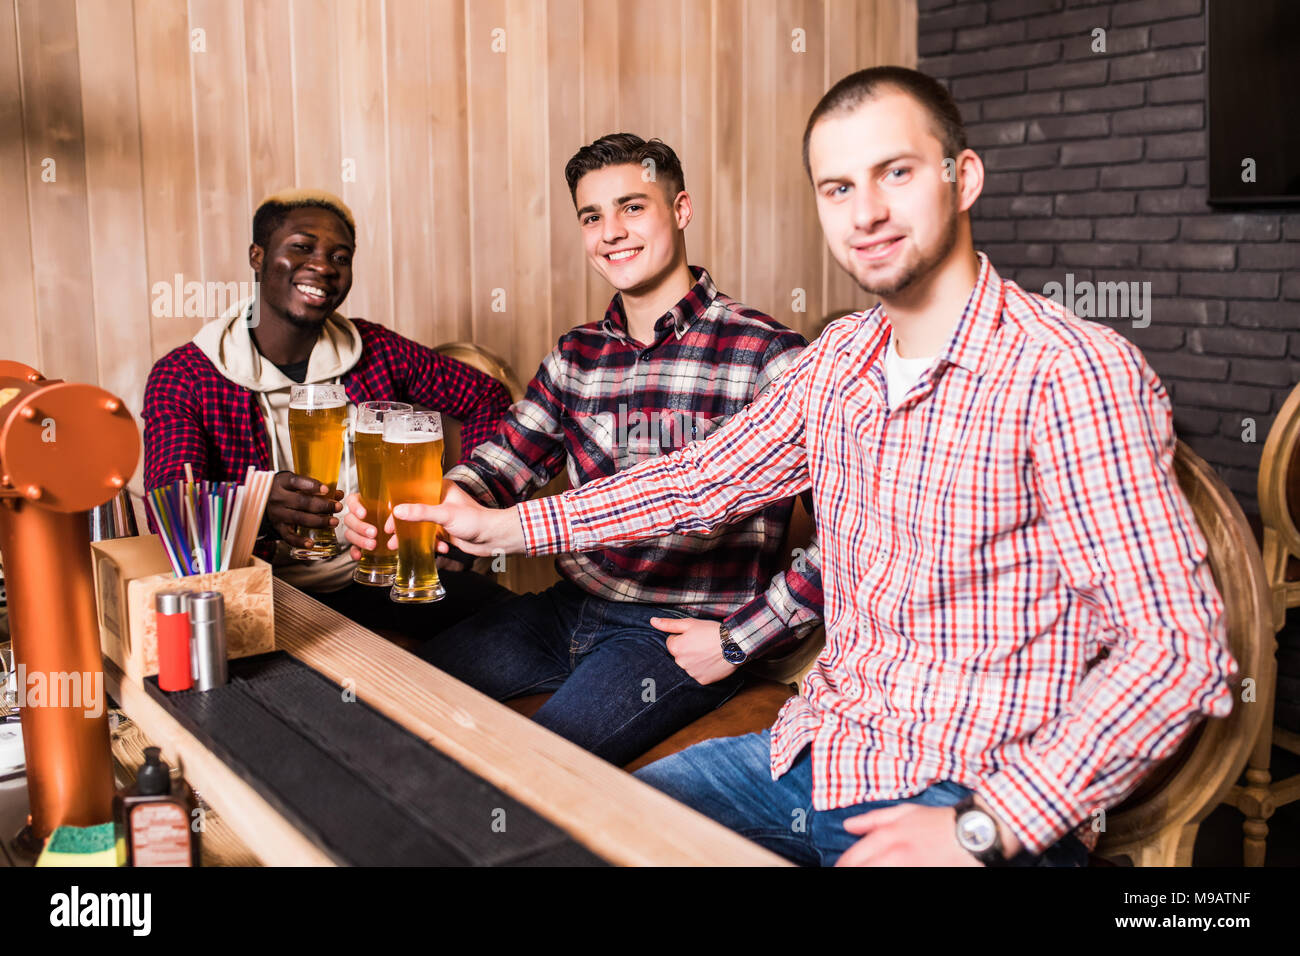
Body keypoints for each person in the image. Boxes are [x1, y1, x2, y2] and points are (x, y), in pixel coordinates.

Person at [397, 69, 1237, 866]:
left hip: (970, 789)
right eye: (838, 188)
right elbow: (697, 480)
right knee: (575, 838)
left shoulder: (1072, 371)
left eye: (895, 173)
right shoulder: (839, 360)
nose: (865, 211)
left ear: (963, 176)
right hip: (815, 754)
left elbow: (1177, 651)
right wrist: (502, 521)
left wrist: (988, 825)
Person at [342, 134, 823, 765]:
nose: (611, 232)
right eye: (592, 216)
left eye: (632, 207)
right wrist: (427, 510)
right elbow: (501, 464)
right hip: (571, 607)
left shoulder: (769, 353)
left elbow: (848, 539)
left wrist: (738, 641)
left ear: (681, 210)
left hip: (671, 634)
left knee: (534, 770)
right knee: (390, 703)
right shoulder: (577, 354)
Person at [142, 188, 514, 637]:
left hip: (378, 576)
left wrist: (466, 495)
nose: (323, 266)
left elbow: (487, 398)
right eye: (302, 247)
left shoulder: (376, 350)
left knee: (522, 632)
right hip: (263, 593)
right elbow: (173, 508)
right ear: (257, 256)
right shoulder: (185, 375)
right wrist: (254, 505)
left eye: (341, 256)